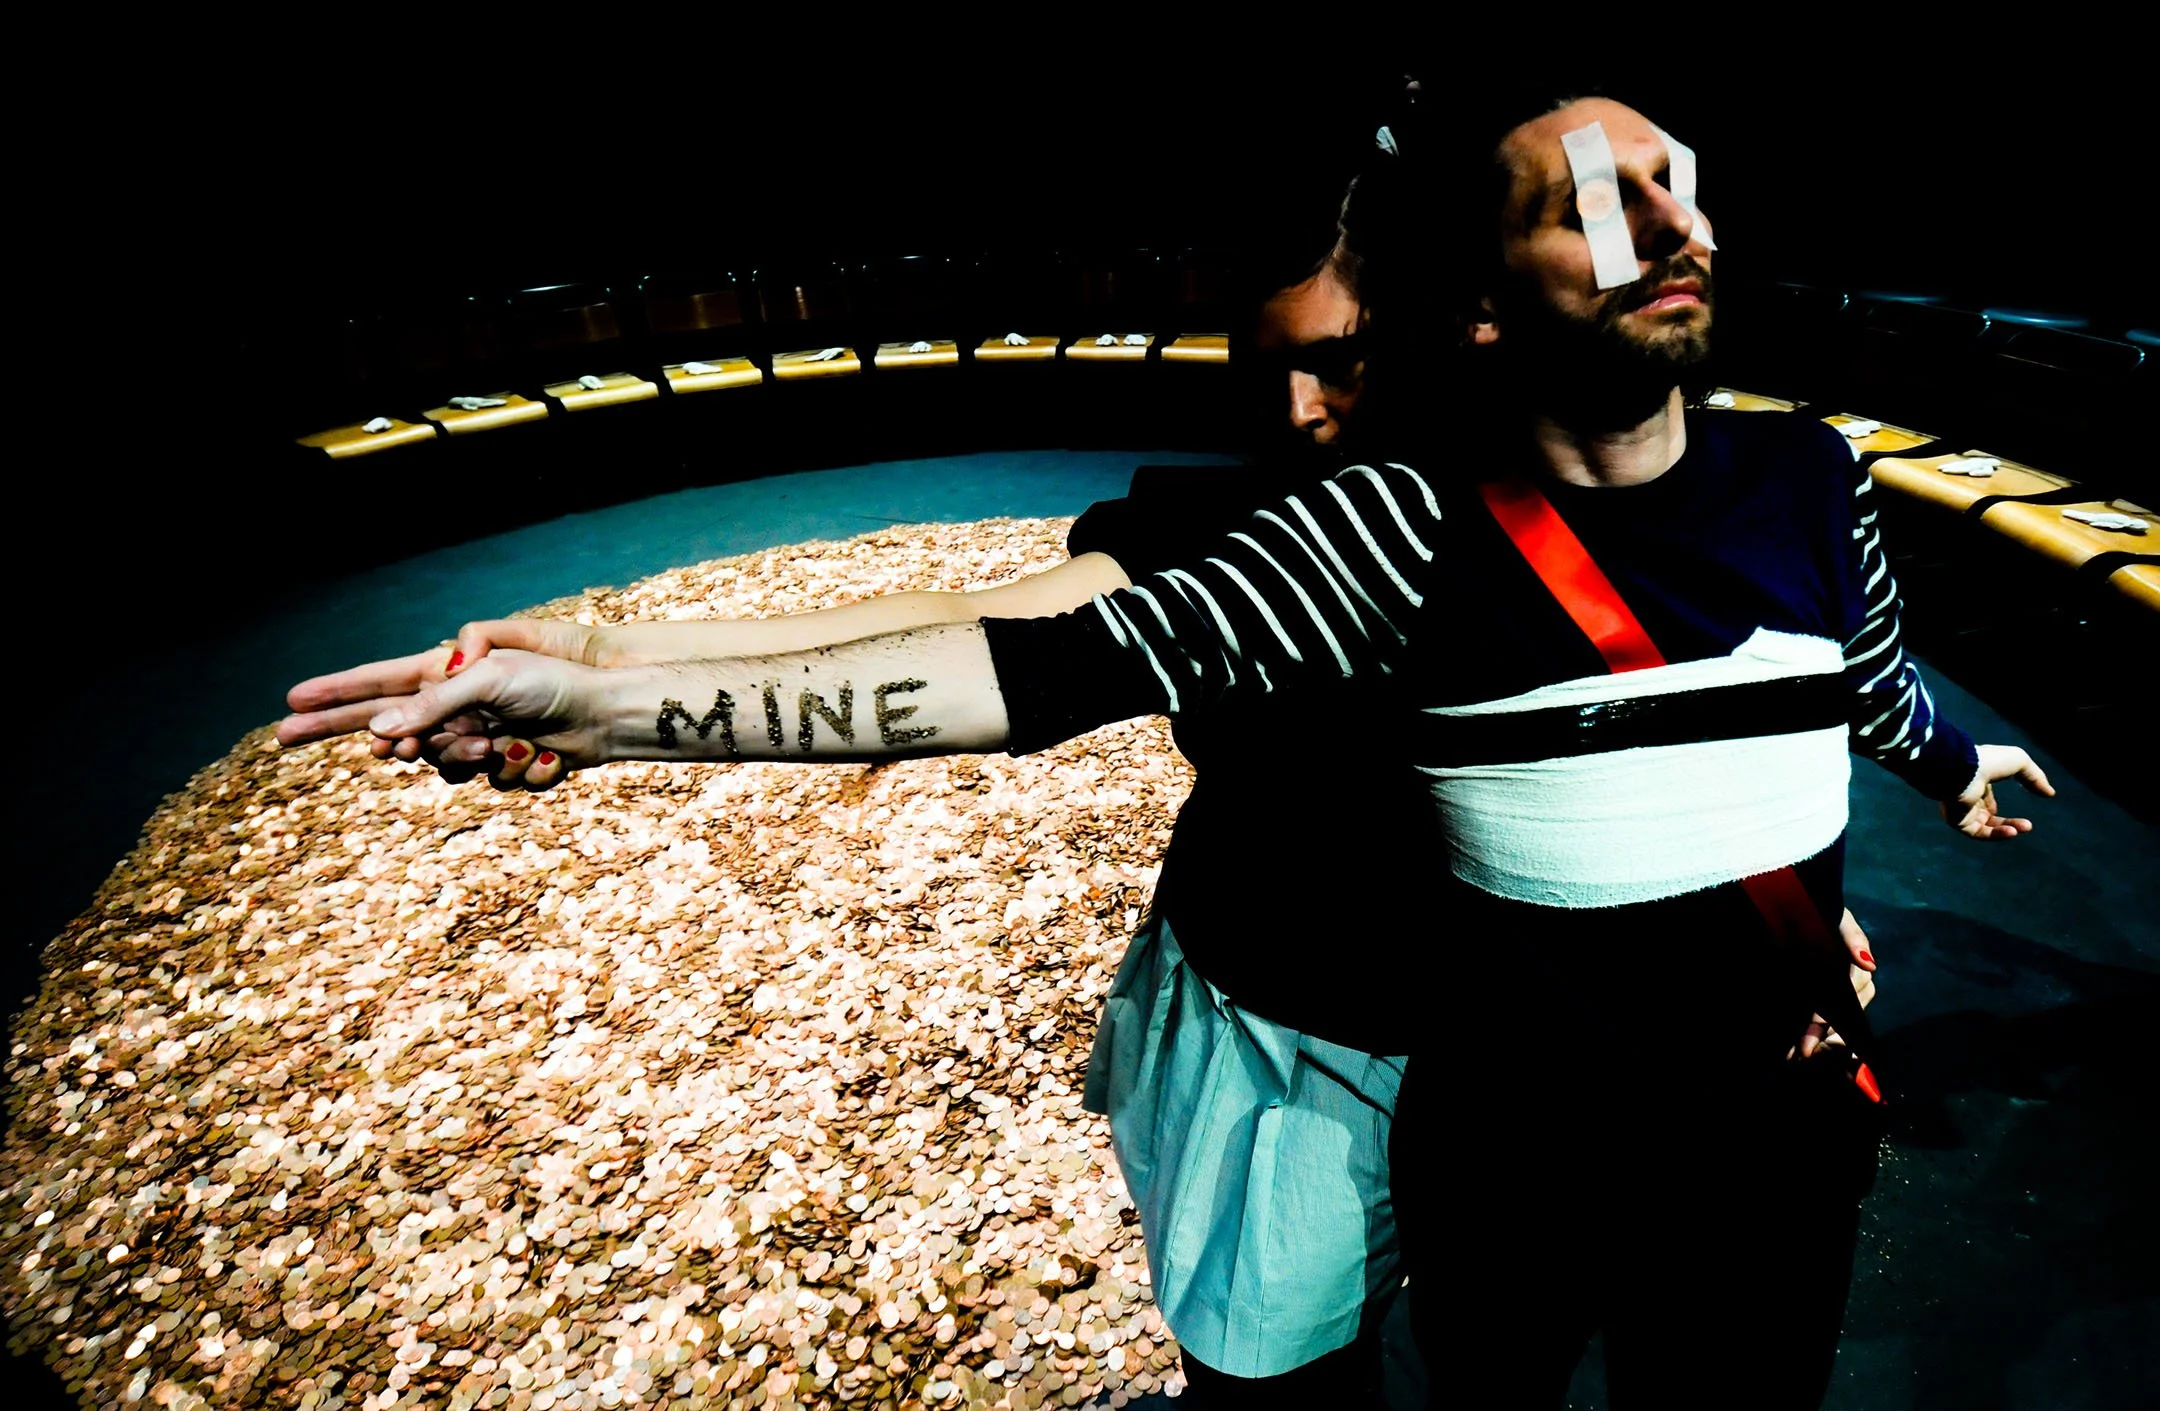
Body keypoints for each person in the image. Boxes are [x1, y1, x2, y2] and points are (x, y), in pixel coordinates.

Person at [283, 121, 1447, 1408]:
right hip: (1278, 1015)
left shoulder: (1525, 516)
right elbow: (967, 629)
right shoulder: (1229, 524)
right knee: (1267, 1370)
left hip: (1497, 1030)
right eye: (1270, 367)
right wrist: (594, 659)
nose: (1301, 412)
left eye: (1341, 361)